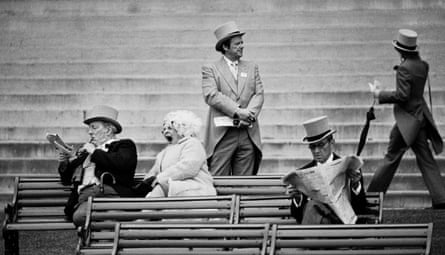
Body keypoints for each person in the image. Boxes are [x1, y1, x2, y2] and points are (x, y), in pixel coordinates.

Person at [367, 29, 445, 209]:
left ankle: (372, 198)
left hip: (407, 122)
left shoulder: (404, 68)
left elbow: (402, 96)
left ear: (401, 51)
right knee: (425, 157)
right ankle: (441, 198)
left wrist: (379, 94)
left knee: (391, 157)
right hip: (420, 118)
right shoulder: (423, 65)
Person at [57, 105, 137, 226]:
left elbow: (122, 163)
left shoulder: (124, 145)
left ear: (108, 130)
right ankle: (112, 224)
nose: (89, 132)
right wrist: (65, 161)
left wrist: (94, 152)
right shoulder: (87, 152)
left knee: (87, 216)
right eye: (89, 128)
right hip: (88, 199)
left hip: (113, 194)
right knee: (80, 217)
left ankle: (110, 226)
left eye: (94, 128)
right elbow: (66, 179)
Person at [201, 21, 264, 176]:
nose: (242, 46)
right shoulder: (211, 68)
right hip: (222, 134)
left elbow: (259, 94)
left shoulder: (252, 67)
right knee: (218, 180)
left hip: (247, 133)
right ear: (225, 47)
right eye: (237, 44)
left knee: (244, 183)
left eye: (242, 43)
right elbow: (211, 95)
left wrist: (249, 114)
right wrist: (237, 112)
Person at [287, 116, 368, 224]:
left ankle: (306, 240)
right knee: (313, 207)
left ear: (332, 142)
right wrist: (297, 198)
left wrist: (355, 185)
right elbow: (297, 215)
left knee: (312, 205)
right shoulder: (304, 173)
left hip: (342, 224)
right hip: (317, 224)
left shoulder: (349, 166)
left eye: (321, 145)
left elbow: (361, 208)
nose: (316, 151)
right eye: (312, 147)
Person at [140, 110, 217, 198]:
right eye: (164, 129)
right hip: (172, 189)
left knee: (159, 189)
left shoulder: (192, 143)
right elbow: (154, 172)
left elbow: (188, 167)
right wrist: (146, 182)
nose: (165, 131)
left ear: (180, 128)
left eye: (169, 128)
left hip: (194, 189)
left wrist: (160, 178)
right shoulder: (163, 153)